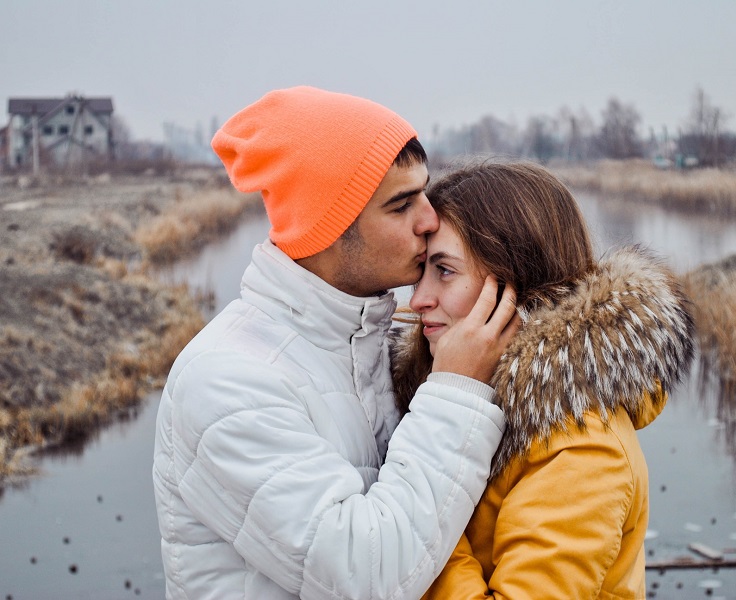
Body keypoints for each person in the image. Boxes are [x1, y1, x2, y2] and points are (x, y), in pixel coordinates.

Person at [152, 87, 521, 599]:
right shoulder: (228, 380)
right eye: (400, 205)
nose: (430, 219)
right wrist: (456, 391)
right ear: (323, 230)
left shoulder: (370, 344)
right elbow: (367, 576)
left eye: (425, 192)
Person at [391, 160, 696, 599]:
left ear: (517, 281)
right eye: (421, 270)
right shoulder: (452, 392)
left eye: (444, 270)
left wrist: (421, 507)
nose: (418, 299)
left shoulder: (582, 446)